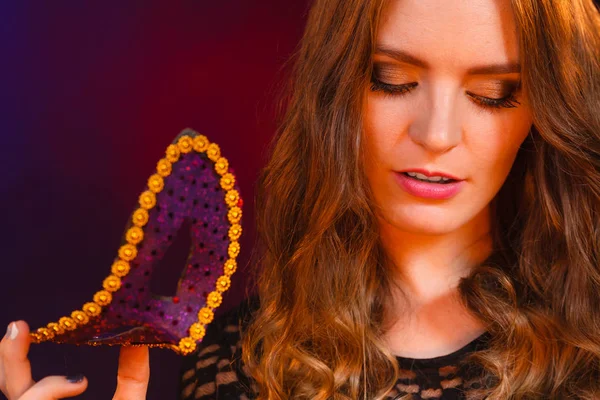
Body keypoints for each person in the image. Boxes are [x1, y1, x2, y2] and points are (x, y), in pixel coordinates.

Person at [1, 0, 599, 398]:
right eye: (392, 80)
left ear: (545, 112)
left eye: (493, 93)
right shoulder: (237, 362)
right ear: (335, 89)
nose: (436, 134)